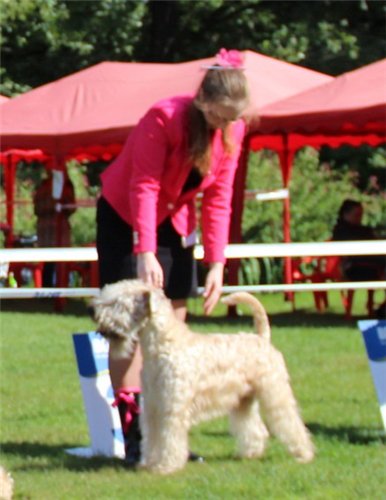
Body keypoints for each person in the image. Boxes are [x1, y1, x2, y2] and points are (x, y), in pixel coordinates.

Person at [96, 48, 250, 463]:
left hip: (175, 219)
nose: (225, 125)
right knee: (128, 328)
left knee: (174, 328)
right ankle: (135, 438)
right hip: (126, 215)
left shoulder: (233, 132)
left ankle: (169, 437)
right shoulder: (163, 117)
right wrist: (144, 250)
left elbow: (219, 199)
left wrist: (216, 262)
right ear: (202, 102)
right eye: (219, 116)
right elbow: (143, 185)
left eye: (232, 118)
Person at [34, 169, 76, 286]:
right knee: (49, 260)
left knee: (61, 260)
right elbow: (37, 208)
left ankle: (62, 286)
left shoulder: (66, 186)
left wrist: (63, 206)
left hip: (60, 229)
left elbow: (71, 206)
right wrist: (53, 206)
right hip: (47, 230)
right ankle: (48, 288)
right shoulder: (43, 187)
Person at [332, 199, 385, 281]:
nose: (359, 218)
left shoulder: (361, 230)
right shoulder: (342, 231)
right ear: (345, 214)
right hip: (357, 267)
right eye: (356, 215)